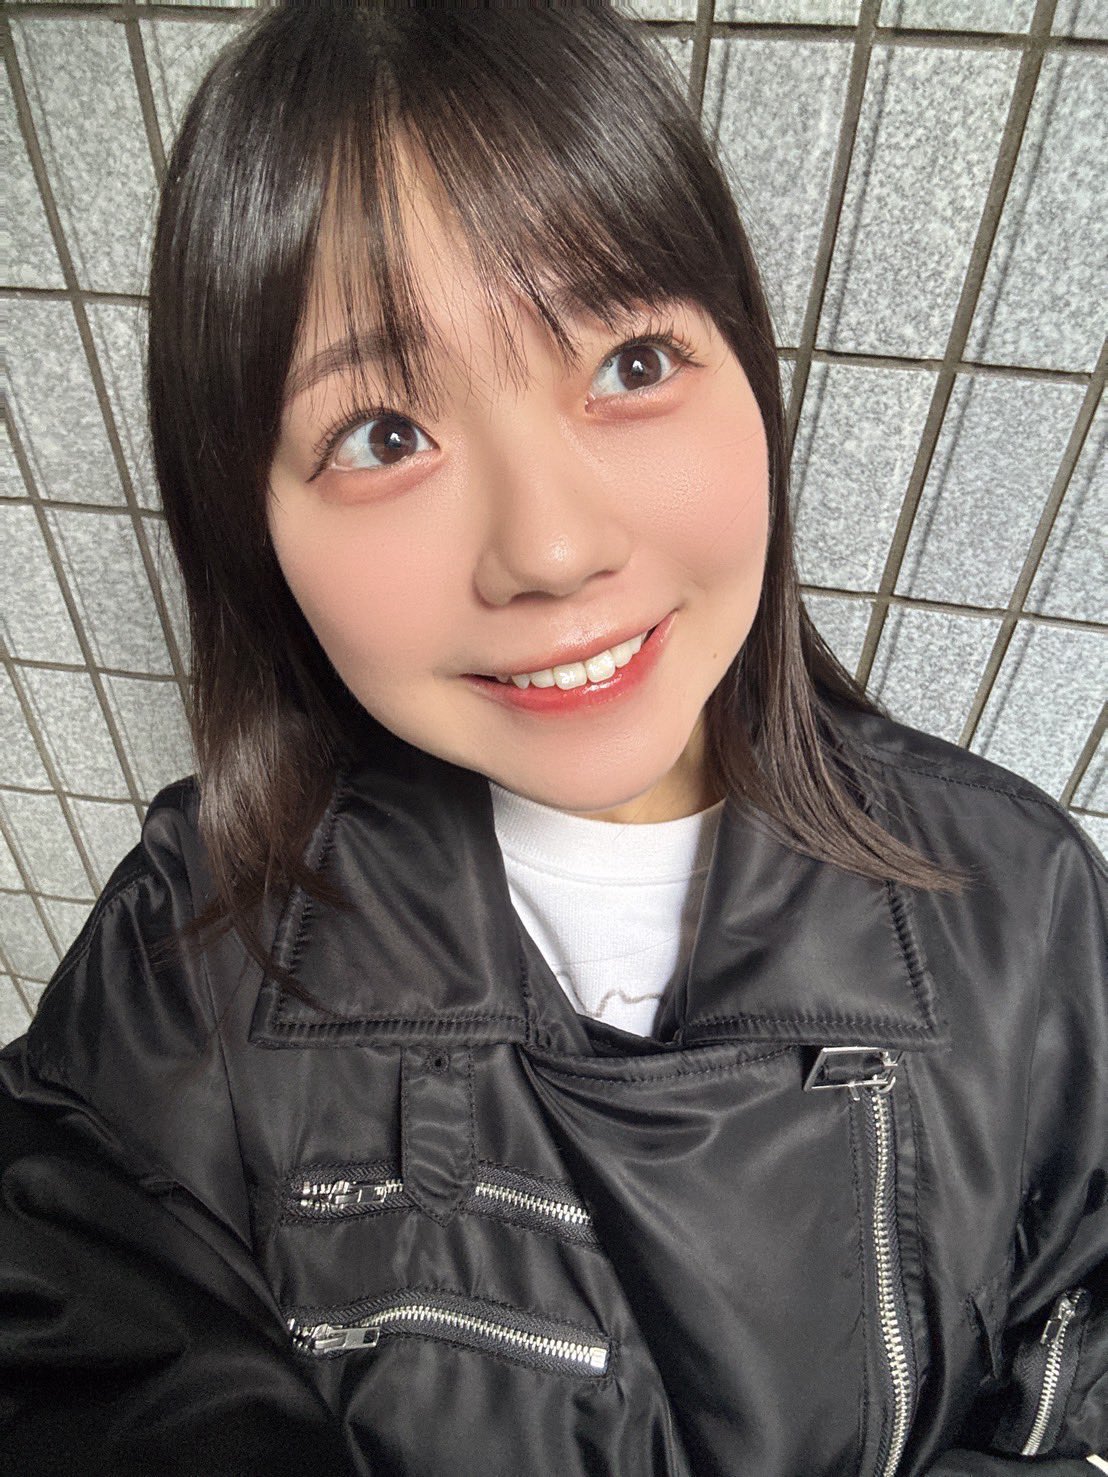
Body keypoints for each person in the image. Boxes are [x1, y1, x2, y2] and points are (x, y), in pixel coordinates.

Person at [1, 5, 1104, 1475]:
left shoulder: (1024, 907)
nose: (553, 546)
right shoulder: (186, 957)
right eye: (384, 434)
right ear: (248, 521)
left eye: (632, 361)